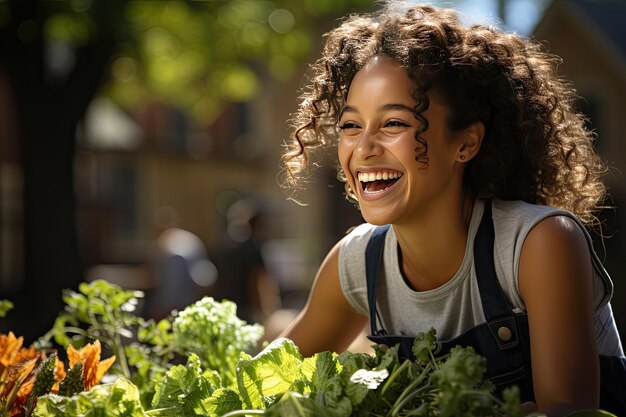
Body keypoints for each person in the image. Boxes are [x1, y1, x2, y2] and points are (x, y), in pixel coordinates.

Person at [278, 3, 626, 416]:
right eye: (351, 126)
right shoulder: (357, 263)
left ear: (466, 143)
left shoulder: (539, 243)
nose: (364, 149)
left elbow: (568, 410)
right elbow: (267, 383)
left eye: (394, 124)